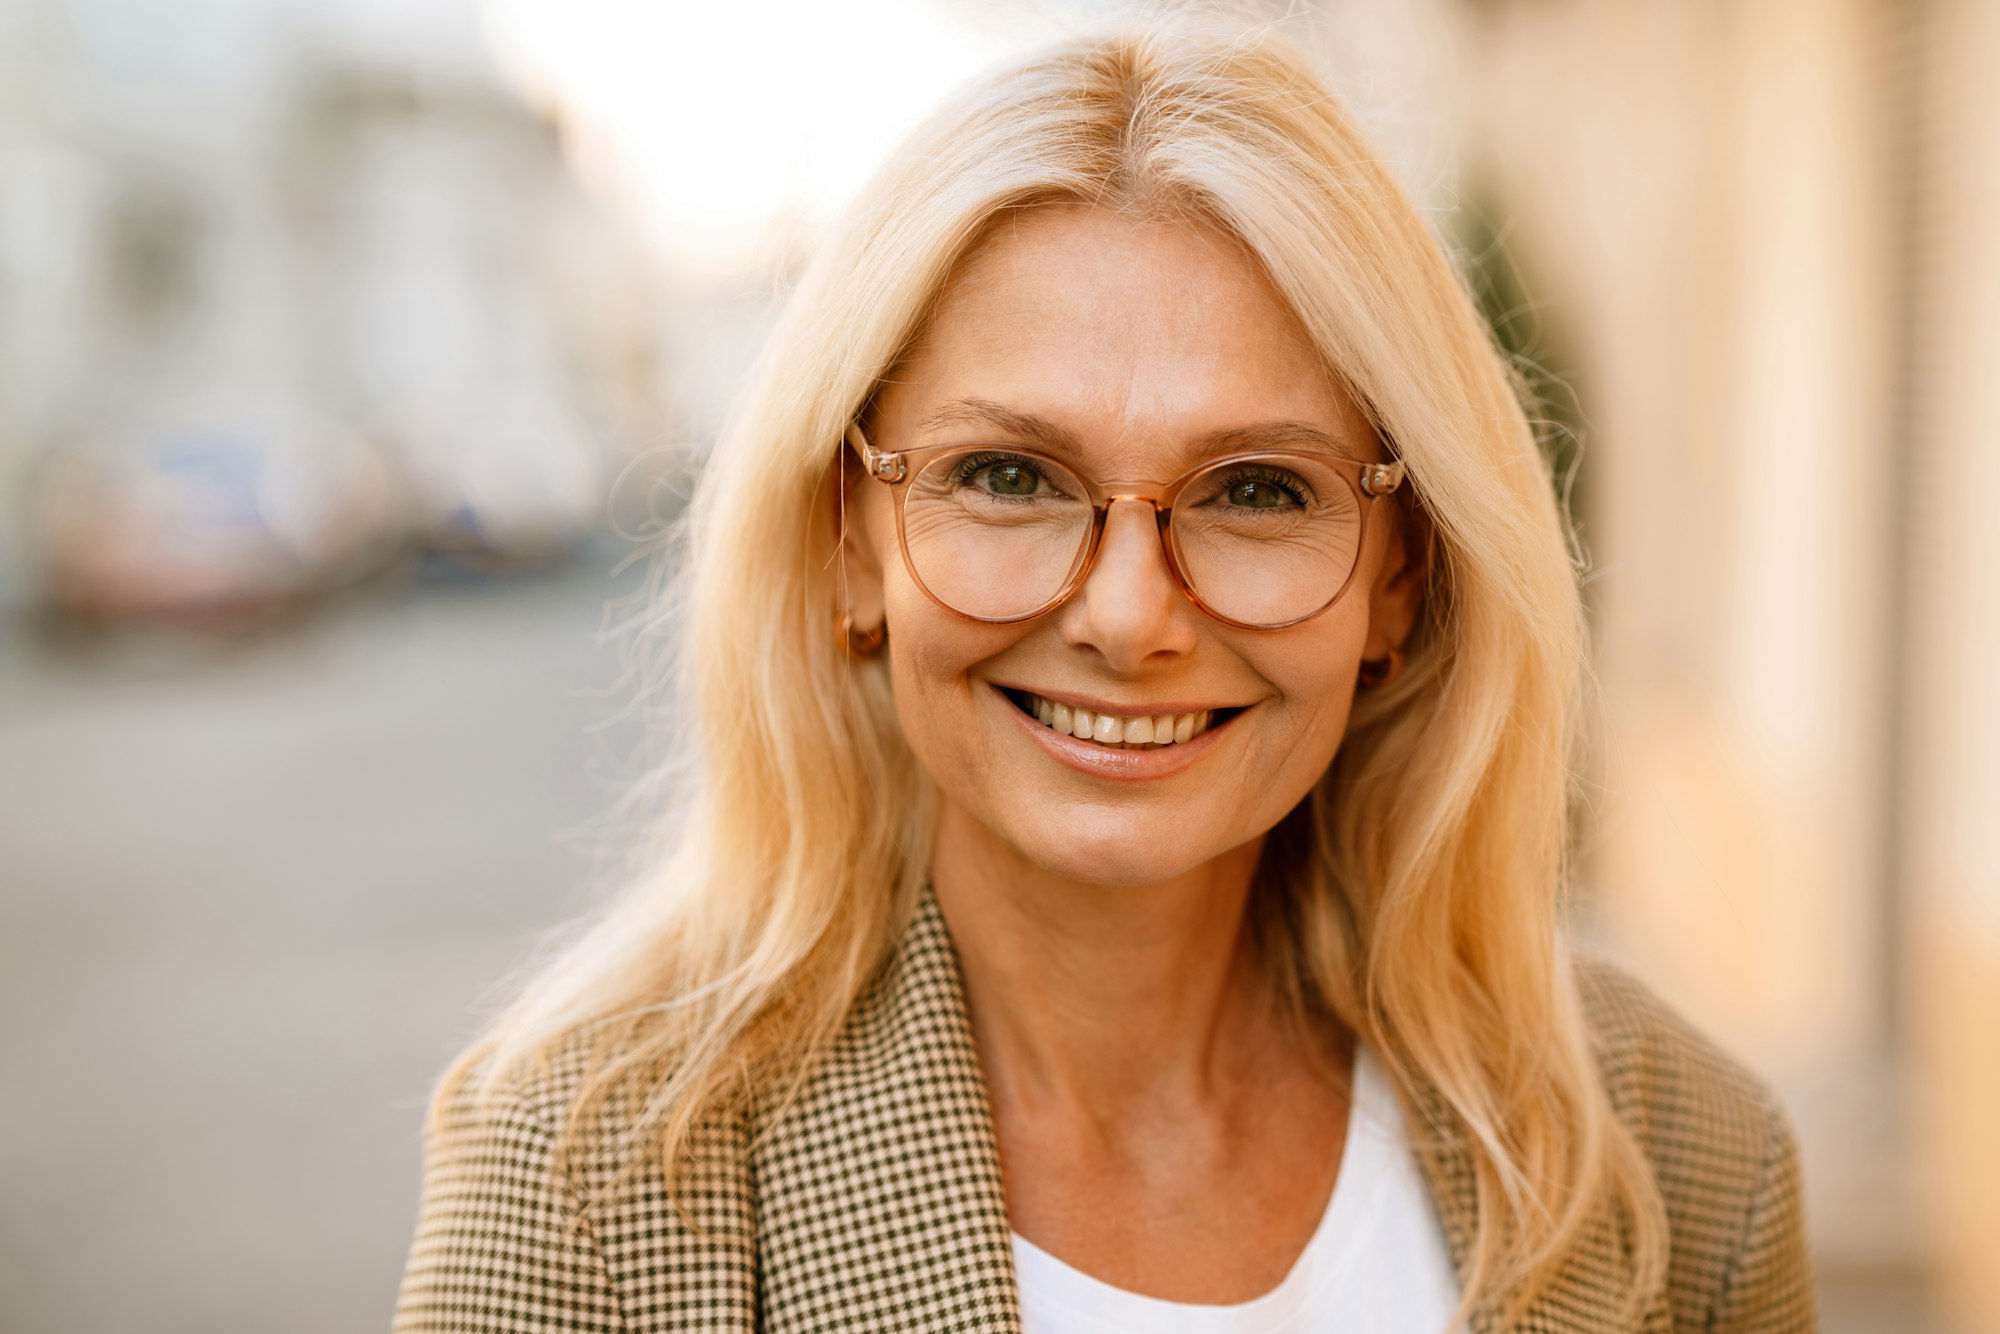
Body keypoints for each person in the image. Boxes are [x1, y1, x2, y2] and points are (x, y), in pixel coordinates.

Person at [393, 17, 1815, 1333]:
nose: (1129, 616)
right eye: (1007, 474)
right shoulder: (588, 1177)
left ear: (1402, 575)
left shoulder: (1682, 1160)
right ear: (849, 543)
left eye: (1258, 489)